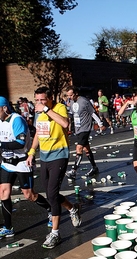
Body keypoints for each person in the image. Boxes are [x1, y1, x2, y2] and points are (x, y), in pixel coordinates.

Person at [26, 87, 82, 249]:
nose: (39, 103)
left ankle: (55, 233)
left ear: (50, 98)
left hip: (59, 155)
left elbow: (65, 123)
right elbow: (38, 132)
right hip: (44, 156)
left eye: (42, 99)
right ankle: (72, 209)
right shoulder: (38, 112)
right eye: (37, 100)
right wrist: (31, 152)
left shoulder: (59, 108)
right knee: (52, 193)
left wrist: (46, 109)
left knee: (51, 193)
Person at [0, 96, 52, 237]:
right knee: (3, 193)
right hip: (7, 163)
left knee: (29, 195)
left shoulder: (16, 120)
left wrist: (1, 145)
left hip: (22, 162)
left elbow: (20, 143)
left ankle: (50, 210)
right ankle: (8, 227)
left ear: (4, 108)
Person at [64, 87, 104, 181]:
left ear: (76, 93)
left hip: (85, 128)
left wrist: (100, 123)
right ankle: (94, 168)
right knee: (86, 148)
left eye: (71, 95)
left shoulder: (84, 101)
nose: (69, 97)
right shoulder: (72, 103)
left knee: (79, 147)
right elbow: (71, 114)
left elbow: (92, 113)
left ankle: (73, 171)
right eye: (68, 95)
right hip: (78, 128)